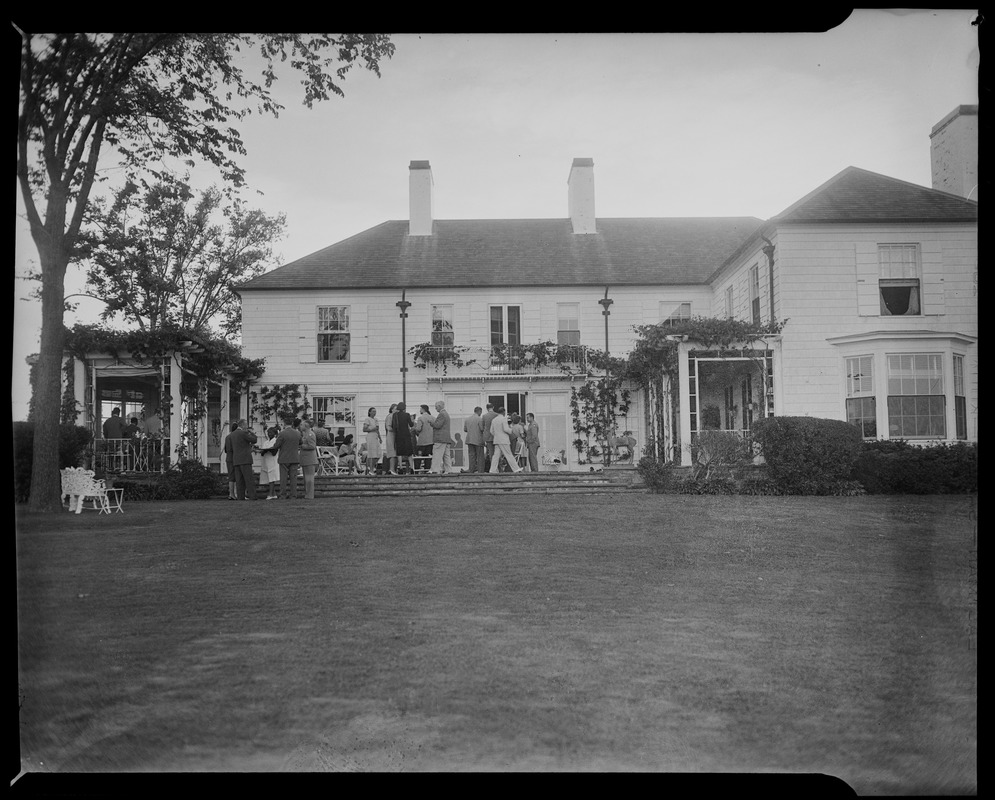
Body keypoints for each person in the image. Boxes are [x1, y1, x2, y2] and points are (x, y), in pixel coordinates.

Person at [229, 418, 258, 500]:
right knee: (248, 479)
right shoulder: (243, 433)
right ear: (243, 425)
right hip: (245, 459)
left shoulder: (232, 434)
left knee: (239, 480)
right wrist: (252, 433)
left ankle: (240, 497)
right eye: (246, 424)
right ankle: (252, 496)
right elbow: (254, 440)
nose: (247, 426)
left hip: (236, 459)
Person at [489, 406, 523, 474]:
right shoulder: (504, 419)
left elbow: (491, 431)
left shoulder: (494, 420)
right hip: (504, 440)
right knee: (509, 454)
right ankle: (516, 469)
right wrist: (511, 430)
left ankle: (492, 470)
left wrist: (497, 435)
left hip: (497, 440)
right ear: (503, 412)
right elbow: (505, 429)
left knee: (496, 456)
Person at [275, 418, 303, 499]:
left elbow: (277, 445)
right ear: (292, 424)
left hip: (284, 458)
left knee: (283, 478)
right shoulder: (297, 433)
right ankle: (293, 495)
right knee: (293, 478)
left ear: (284, 423)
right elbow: (300, 442)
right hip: (294, 457)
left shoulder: (282, 433)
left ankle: (282, 494)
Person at [429, 400, 457, 474]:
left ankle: (434, 470)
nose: (435, 409)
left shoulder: (441, 414)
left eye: (436, 407)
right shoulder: (446, 414)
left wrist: (431, 422)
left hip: (440, 438)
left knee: (437, 454)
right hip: (446, 438)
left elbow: (438, 425)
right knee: (446, 456)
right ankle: (448, 470)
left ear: (439, 406)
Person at [257, 423, 281, 500]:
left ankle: (270, 494)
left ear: (274, 434)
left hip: (273, 462)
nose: (269, 434)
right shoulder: (266, 442)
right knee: (268, 478)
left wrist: (269, 450)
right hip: (266, 462)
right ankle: (273, 494)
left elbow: (274, 452)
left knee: (272, 479)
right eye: (268, 433)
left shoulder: (276, 441)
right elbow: (263, 452)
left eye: (270, 433)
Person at [391, 402, 415, 474]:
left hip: (398, 435)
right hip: (406, 434)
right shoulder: (407, 415)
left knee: (400, 452)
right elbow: (411, 425)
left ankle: (400, 468)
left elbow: (393, 425)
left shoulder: (395, 415)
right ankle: (412, 468)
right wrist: (412, 420)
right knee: (409, 452)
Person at [298, 420, 319, 500]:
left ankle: (310, 495)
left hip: (310, 460)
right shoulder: (305, 435)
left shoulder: (310, 434)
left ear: (306, 426)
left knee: (309, 479)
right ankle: (307, 494)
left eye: (302, 425)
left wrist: (302, 446)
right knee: (306, 479)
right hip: (305, 459)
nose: (300, 426)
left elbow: (312, 446)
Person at [463, 406, 486, 473]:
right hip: (478, 440)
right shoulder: (479, 419)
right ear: (479, 411)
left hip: (469, 439)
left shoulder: (467, 419)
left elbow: (465, 429)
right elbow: (482, 429)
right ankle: (480, 471)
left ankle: (471, 469)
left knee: (471, 456)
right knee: (480, 456)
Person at [362, 407, 383, 475]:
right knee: (372, 454)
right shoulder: (367, 419)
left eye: (375, 411)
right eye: (373, 411)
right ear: (369, 412)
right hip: (370, 436)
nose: (374, 413)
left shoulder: (376, 420)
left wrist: (380, 438)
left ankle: (371, 467)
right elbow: (364, 429)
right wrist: (372, 428)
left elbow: (377, 429)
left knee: (379, 454)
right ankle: (371, 470)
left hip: (376, 437)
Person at [414, 403, 434, 472]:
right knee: (428, 457)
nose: (420, 410)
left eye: (420, 409)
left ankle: (417, 470)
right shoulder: (432, 418)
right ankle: (427, 470)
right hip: (430, 441)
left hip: (422, 442)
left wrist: (415, 428)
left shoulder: (421, 418)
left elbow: (418, 429)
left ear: (423, 409)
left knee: (419, 457)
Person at [222, 422, 237, 499]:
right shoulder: (234, 437)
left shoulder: (227, 437)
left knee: (231, 476)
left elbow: (225, 449)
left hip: (228, 458)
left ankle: (231, 493)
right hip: (234, 458)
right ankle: (233, 494)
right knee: (235, 476)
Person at [481, 403, 498, 471]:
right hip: (496, 436)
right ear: (493, 407)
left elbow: (482, 427)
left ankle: (493, 469)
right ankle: (497, 468)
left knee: (491, 453)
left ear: (487, 408)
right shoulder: (496, 415)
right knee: (497, 453)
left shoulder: (484, 416)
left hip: (488, 437)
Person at [384, 402, 398, 474]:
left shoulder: (395, 416)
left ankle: (393, 469)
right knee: (392, 452)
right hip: (391, 435)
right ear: (392, 409)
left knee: (395, 452)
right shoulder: (390, 416)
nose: (397, 410)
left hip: (394, 435)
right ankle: (392, 469)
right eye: (395, 409)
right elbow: (388, 427)